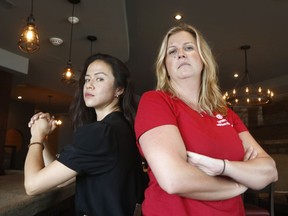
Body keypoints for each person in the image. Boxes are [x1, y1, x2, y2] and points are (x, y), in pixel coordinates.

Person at [134, 23, 278, 216]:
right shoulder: (156, 101)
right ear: (165, 65)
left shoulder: (226, 113)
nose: (181, 54)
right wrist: (238, 183)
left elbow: (269, 171)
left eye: (189, 47)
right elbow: (173, 179)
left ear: (203, 58)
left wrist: (223, 166)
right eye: (172, 51)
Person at [24, 53, 147, 216]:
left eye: (99, 78)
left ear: (119, 89)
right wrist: (44, 137)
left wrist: (36, 137)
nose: (89, 85)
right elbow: (61, 180)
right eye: (87, 79)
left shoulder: (101, 132)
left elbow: (32, 185)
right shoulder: (121, 128)